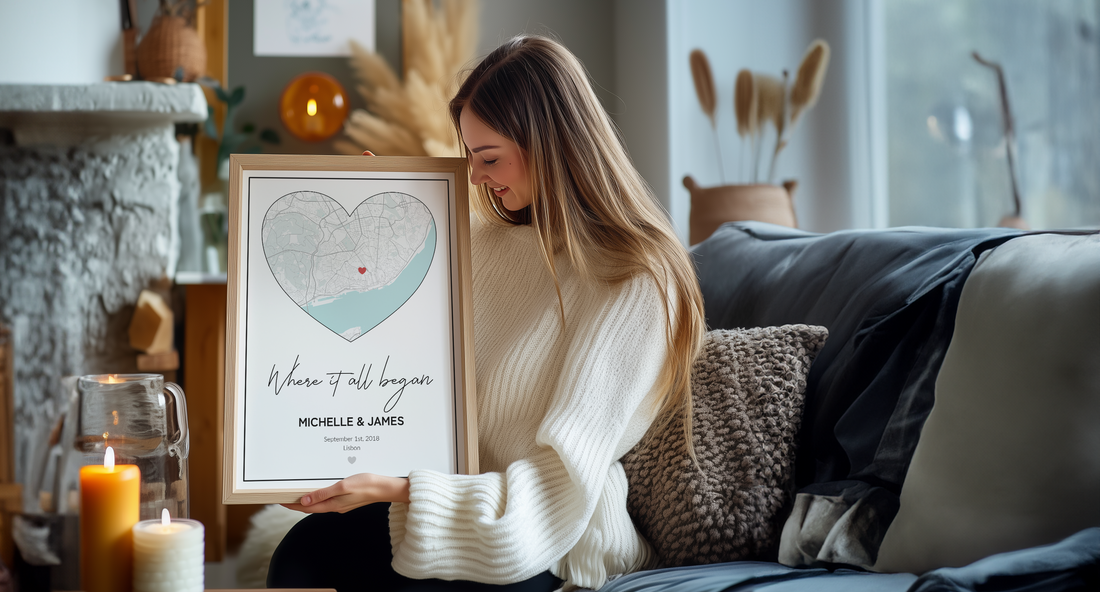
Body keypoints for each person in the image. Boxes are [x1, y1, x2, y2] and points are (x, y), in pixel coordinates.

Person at [267, 35, 705, 592]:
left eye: (489, 158)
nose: (476, 177)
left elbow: (557, 489)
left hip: (547, 540)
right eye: (470, 157)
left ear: (552, 144)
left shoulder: (639, 280)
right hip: (447, 500)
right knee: (300, 558)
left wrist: (401, 491)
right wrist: (383, 197)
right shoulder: (494, 238)